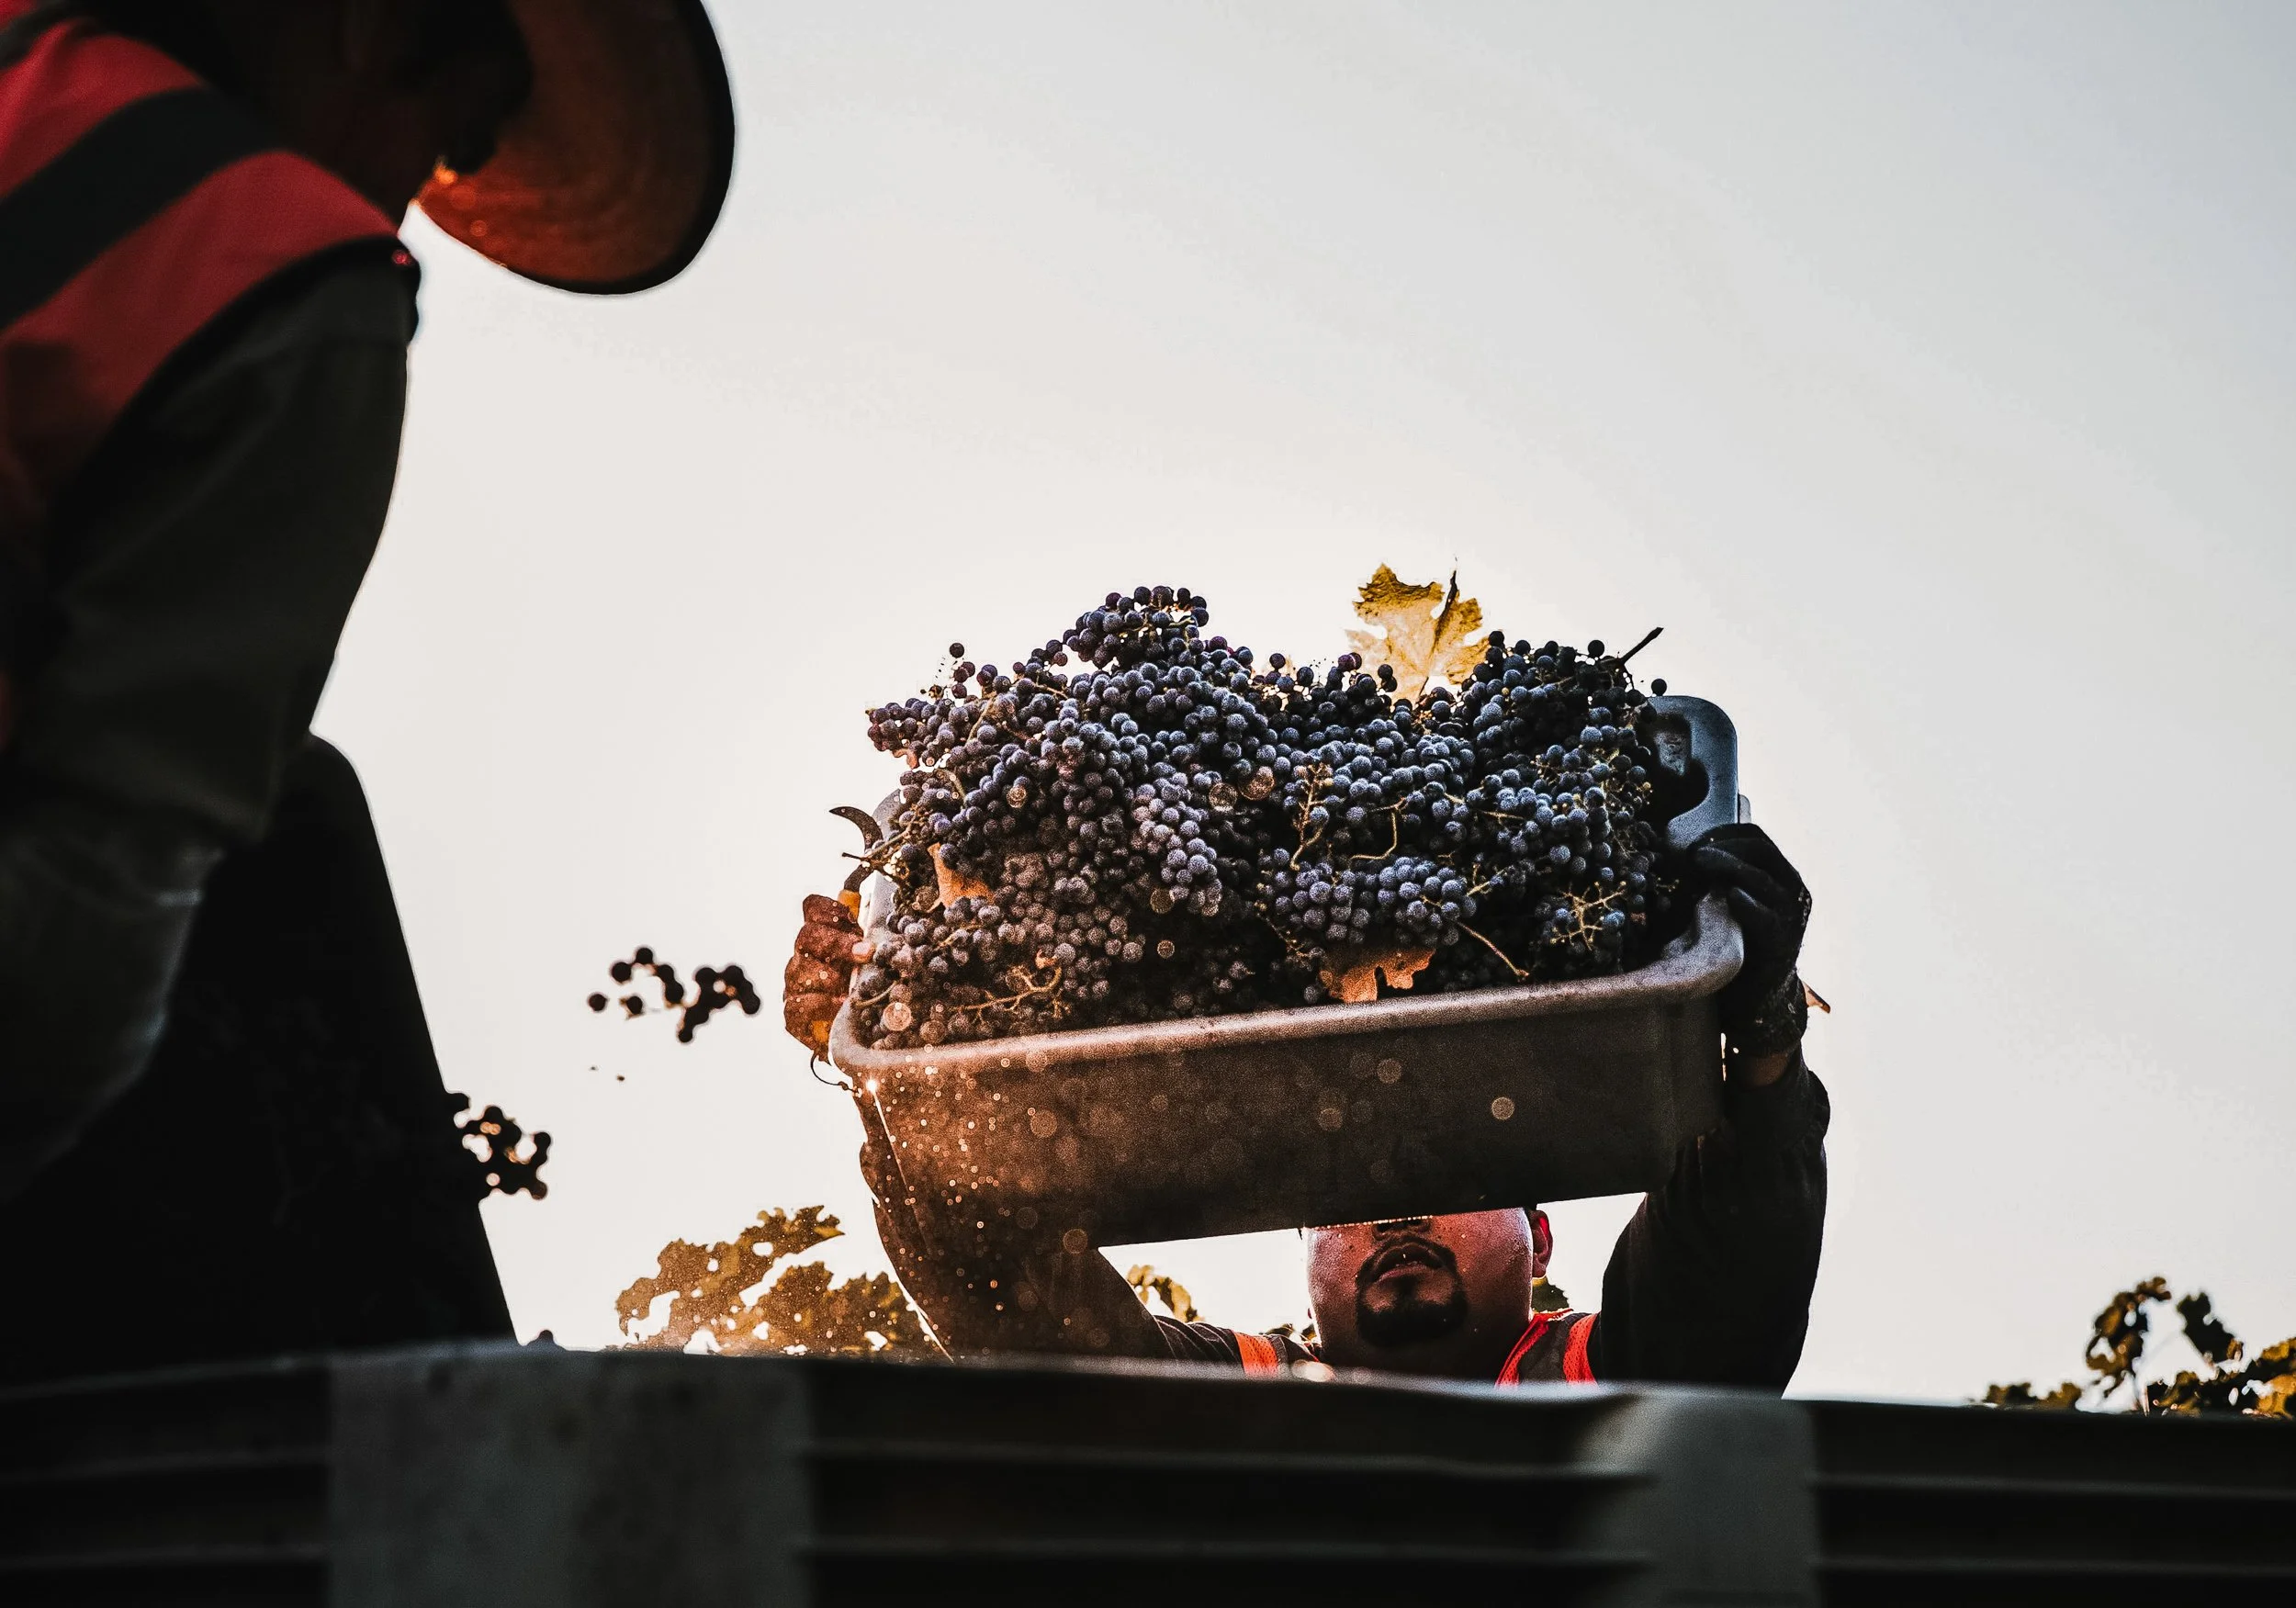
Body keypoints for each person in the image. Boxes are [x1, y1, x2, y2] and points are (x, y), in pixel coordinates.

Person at [0, 0, 733, 1377]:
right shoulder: (284, 280)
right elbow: (71, 953)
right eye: (447, 146)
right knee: (283, 848)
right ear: (358, 26)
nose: (416, 201)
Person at [784, 822, 1829, 1389]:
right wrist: (900, 1072)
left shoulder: (1615, 1373)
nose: (1394, 1210)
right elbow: (1005, 1290)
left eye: (1458, 1174)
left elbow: (1730, 1270)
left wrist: (1763, 1034)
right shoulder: (1231, 1393)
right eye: (1349, 1192)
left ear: (1541, 1233)